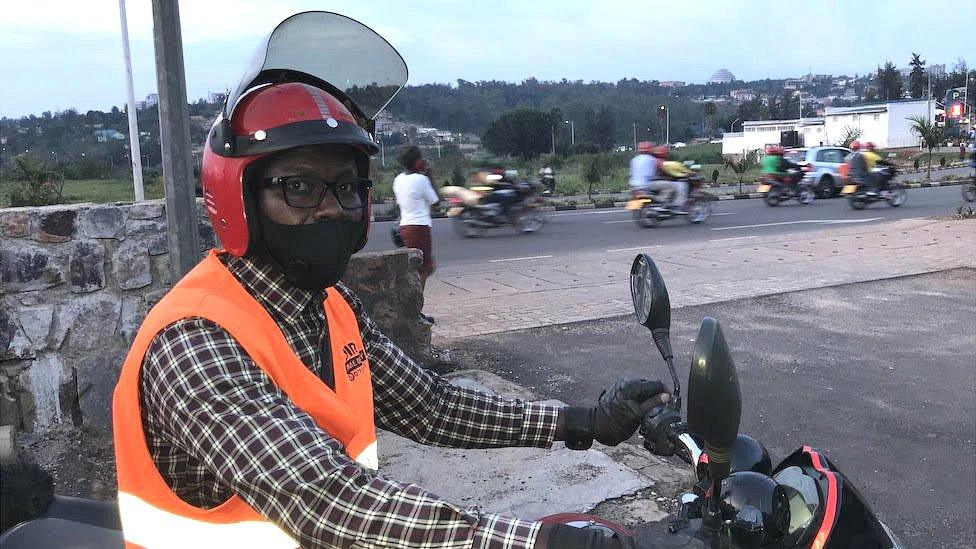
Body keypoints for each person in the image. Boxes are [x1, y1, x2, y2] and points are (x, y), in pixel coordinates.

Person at [112, 14, 671, 549]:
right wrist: (532, 541)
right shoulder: (197, 340)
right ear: (238, 198)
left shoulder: (328, 307)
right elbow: (330, 501)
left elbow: (431, 408)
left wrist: (583, 420)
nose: (332, 209)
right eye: (299, 188)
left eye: (346, 188)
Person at [393, 145, 439, 306]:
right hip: (419, 228)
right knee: (423, 269)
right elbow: (435, 200)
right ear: (417, 161)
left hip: (405, 227)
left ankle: (412, 304)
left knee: (419, 267)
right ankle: (415, 307)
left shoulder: (399, 179)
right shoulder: (421, 180)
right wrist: (430, 176)